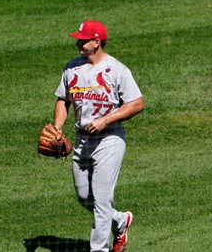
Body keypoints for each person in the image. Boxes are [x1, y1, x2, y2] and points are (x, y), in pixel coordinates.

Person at [53, 20, 145, 252]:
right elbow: (63, 100)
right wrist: (58, 126)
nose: (78, 43)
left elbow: (137, 104)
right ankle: (121, 221)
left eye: (83, 40)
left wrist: (106, 119)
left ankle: (99, 249)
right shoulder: (71, 68)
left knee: (102, 200)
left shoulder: (117, 70)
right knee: (85, 197)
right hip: (82, 140)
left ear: (97, 42)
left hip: (110, 139)